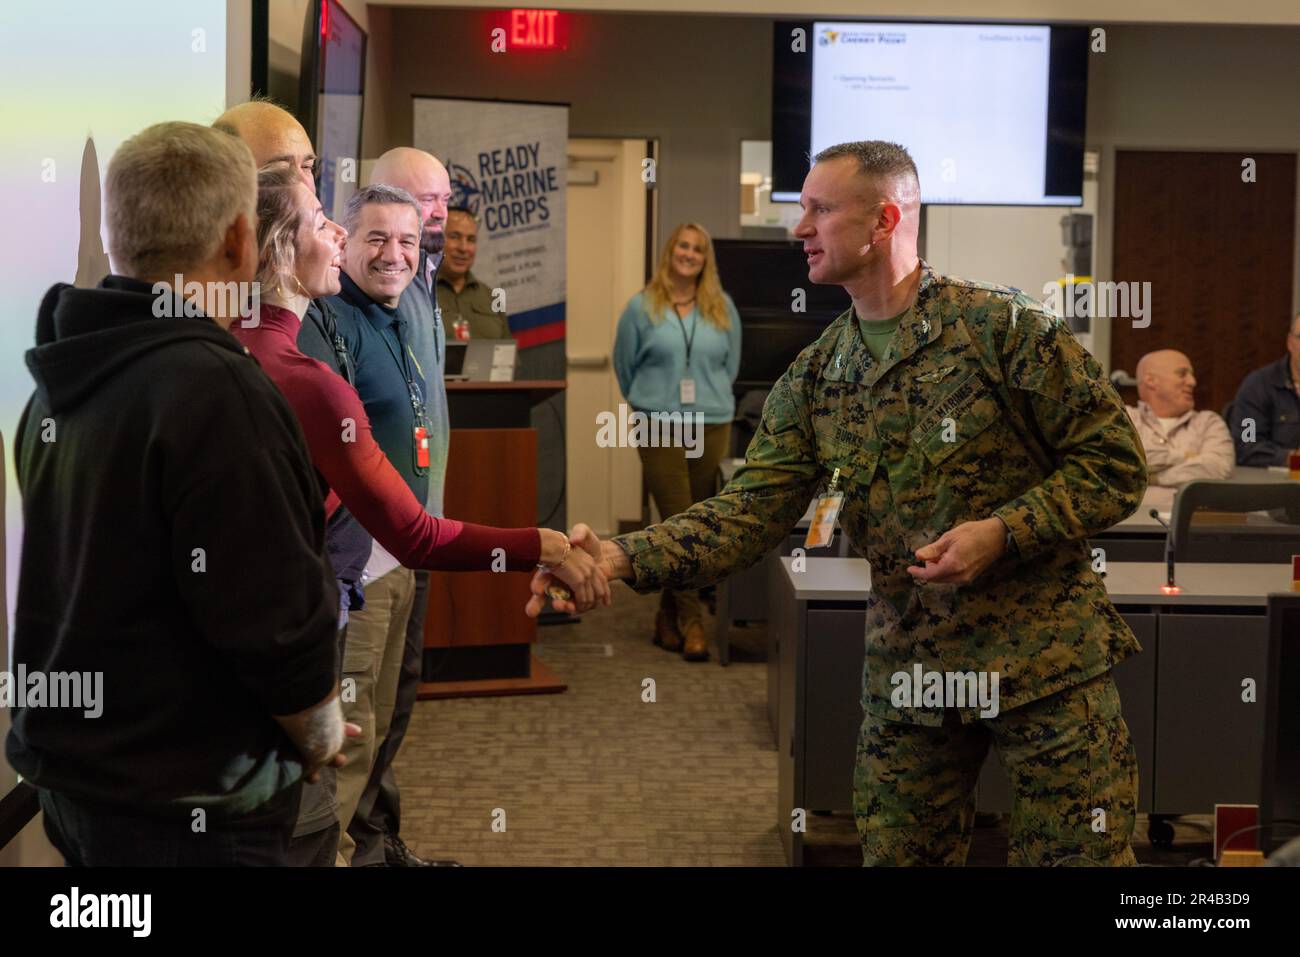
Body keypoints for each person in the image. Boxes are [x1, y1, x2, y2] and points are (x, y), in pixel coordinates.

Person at [537, 141, 1149, 867]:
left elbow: (1115, 464)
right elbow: (746, 513)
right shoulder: (817, 375)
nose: (799, 229)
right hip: (913, 678)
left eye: (819, 210)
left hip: (1045, 663)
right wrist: (614, 553)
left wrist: (1003, 532)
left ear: (884, 220)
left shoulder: (1006, 331)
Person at [238, 166, 610, 866]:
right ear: (287, 247)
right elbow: (412, 530)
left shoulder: (240, 345)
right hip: (326, 596)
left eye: (416, 234)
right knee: (322, 793)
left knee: (359, 748)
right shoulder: (303, 369)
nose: (373, 246)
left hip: (297, 614)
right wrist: (547, 545)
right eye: (330, 223)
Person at [7, 122, 347, 866]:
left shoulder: (57, 386)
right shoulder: (222, 392)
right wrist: (319, 736)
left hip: (84, 798)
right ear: (237, 239)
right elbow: (284, 630)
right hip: (194, 815)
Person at [214, 97, 371, 865]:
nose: (315, 188)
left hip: (322, 609)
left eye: (312, 166)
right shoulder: (232, 361)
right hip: (270, 675)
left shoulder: (288, 337)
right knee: (301, 824)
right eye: (292, 171)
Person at [356, 147, 455, 867]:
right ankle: (363, 845)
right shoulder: (346, 304)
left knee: (398, 694)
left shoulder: (422, 284)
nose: (439, 212)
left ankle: (380, 839)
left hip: (419, 536)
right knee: (364, 704)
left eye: (443, 201)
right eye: (427, 198)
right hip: (369, 548)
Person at [612, 222, 741, 661]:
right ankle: (693, 622)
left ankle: (666, 617)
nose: (689, 254)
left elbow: (730, 367)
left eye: (698, 249)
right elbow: (624, 368)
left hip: (712, 422)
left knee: (695, 522)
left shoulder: (721, 308)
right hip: (659, 424)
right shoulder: (641, 307)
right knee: (678, 523)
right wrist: (652, 403)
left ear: (706, 259)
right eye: (683, 246)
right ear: (670, 252)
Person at [1125, 349, 1233, 486]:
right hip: (1138, 508)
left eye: (1191, 375)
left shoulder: (1209, 422)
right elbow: (1120, 460)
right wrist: (1185, 457)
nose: (1192, 382)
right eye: (1182, 374)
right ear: (1151, 380)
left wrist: (1153, 478)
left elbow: (1218, 468)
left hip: (1190, 508)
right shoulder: (1125, 418)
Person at [1232, 311, 1300, 466]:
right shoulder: (1258, 386)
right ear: (1290, 343)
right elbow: (1246, 446)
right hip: (1278, 485)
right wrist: (1294, 460)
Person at [436, 206, 511, 340]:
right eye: (454, 237)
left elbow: (508, 357)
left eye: (471, 240)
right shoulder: (418, 297)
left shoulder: (493, 297)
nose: (463, 248)